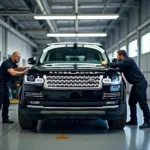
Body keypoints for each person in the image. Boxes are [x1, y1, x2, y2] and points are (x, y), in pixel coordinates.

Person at [102, 50, 150, 129]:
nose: (117, 58)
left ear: (121, 56)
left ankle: (147, 122)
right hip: (135, 85)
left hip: (140, 83)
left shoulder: (128, 60)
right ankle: (133, 120)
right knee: (131, 102)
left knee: (143, 104)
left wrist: (107, 63)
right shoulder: (124, 64)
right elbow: (118, 69)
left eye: (117, 56)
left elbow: (118, 64)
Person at [0, 51, 28, 123]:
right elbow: (13, 73)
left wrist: (25, 68)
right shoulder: (7, 63)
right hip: (0, 84)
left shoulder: (13, 63)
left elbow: (18, 68)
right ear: (14, 57)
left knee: (6, 102)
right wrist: (24, 73)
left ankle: (5, 118)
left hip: (5, 84)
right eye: (18, 58)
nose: (19, 59)